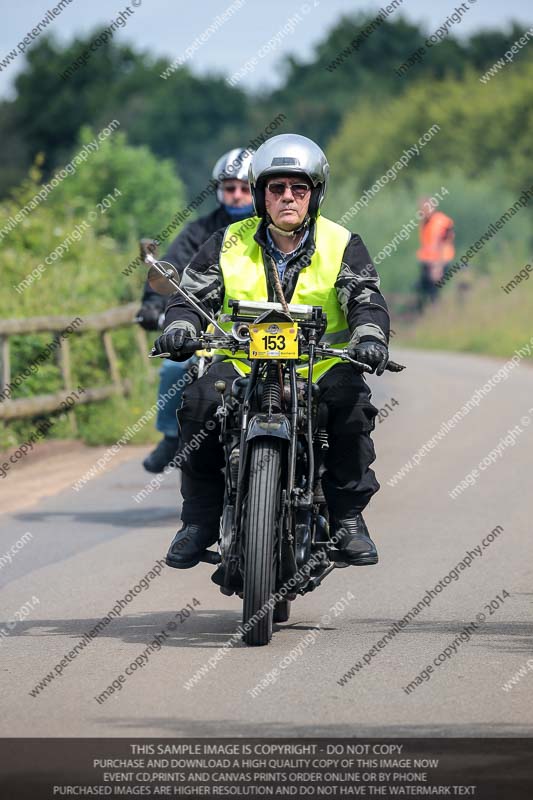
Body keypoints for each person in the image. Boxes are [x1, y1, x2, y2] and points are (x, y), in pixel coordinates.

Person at [152, 134, 391, 569]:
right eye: (276, 188)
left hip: (318, 364)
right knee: (197, 403)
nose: (287, 197)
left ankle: (347, 519)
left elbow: (364, 298)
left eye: (298, 189)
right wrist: (181, 327)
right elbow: (191, 296)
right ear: (261, 194)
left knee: (352, 407)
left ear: (314, 194)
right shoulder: (226, 241)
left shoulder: (341, 242)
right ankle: (199, 521)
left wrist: (370, 336)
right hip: (242, 361)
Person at [136, 148, 255, 473]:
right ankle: (173, 436)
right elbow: (170, 269)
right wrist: (153, 304)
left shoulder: (277, 231)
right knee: (176, 368)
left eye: (245, 188)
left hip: (266, 332)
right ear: (219, 190)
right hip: (211, 329)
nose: (237, 195)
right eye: (230, 188)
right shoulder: (199, 232)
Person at [416, 197, 455, 309]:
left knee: (434, 292)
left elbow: (441, 244)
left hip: (438, 262)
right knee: (422, 289)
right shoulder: (426, 221)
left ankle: (436, 315)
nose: (423, 211)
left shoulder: (439, 222)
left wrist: (438, 267)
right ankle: (426, 316)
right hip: (429, 262)